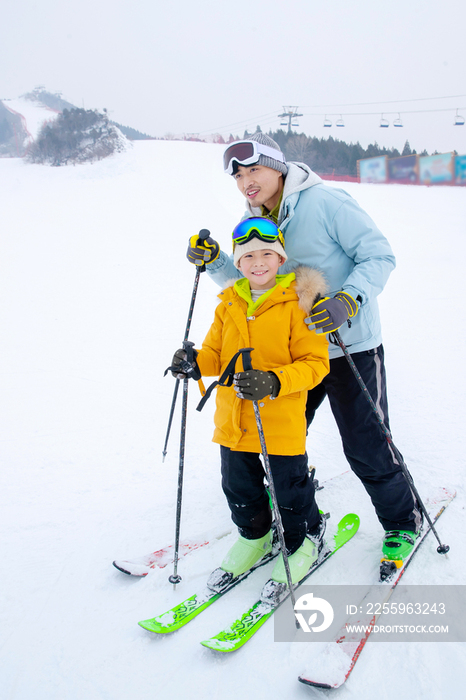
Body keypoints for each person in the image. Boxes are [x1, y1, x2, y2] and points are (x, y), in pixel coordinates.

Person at [186, 132, 423, 566]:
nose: (246, 182)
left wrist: (347, 299)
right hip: (290, 357)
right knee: (278, 440)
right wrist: (217, 258)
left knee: (365, 444)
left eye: (253, 170)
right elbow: (254, 282)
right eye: (238, 175)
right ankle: (296, 508)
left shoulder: (326, 202)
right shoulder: (254, 216)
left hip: (348, 345)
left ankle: (403, 521)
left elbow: (379, 255)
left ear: (277, 166)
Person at [173, 217, 330, 589]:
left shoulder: (299, 304)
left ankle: (305, 537)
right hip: (233, 418)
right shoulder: (229, 302)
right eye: (248, 256)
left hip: (280, 418)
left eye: (267, 254)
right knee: (238, 486)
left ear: (280, 260)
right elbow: (215, 353)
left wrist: (274, 381)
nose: (258, 262)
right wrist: (194, 363)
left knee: (289, 487)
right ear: (238, 264)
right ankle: (255, 536)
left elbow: (316, 365)